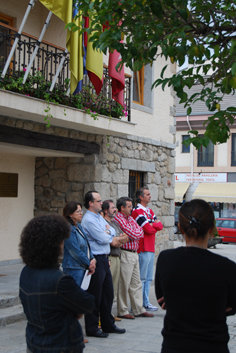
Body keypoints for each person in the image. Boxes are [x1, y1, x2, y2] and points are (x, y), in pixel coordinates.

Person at [155, 199, 236, 353]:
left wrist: (178, 300)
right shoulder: (227, 268)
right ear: (212, 228)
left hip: (174, 345)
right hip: (213, 345)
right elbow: (231, 306)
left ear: (180, 227)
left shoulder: (166, 259)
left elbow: (162, 299)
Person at [19, 214, 95, 353]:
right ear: (53, 245)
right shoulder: (60, 280)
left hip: (35, 342)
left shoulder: (26, 272)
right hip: (61, 345)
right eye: (61, 241)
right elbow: (87, 303)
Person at [81, 190, 126, 338]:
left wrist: (109, 234)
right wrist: (109, 235)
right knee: (95, 294)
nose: (101, 203)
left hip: (104, 257)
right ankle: (92, 327)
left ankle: (108, 323)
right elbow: (102, 237)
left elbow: (111, 230)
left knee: (108, 293)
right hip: (96, 258)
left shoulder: (99, 217)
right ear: (90, 203)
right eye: (98, 201)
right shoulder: (89, 219)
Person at [114, 196, 154, 319]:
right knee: (124, 283)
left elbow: (140, 232)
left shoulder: (130, 218)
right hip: (125, 252)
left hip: (134, 252)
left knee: (136, 283)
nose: (132, 209)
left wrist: (133, 234)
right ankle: (123, 310)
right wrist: (133, 234)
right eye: (129, 206)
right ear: (122, 208)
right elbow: (131, 232)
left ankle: (138, 309)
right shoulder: (118, 218)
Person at [132, 187, 163, 311]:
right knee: (142, 278)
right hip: (143, 247)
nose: (150, 196)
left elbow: (160, 225)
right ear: (141, 197)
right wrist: (153, 224)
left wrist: (152, 224)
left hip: (150, 247)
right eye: (147, 194)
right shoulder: (137, 211)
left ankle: (145, 302)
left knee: (149, 278)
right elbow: (149, 229)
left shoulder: (149, 210)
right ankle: (141, 303)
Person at [62, 201, 96, 287]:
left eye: (81, 211)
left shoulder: (79, 226)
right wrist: (88, 263)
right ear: (70, 214)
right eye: (78, 212)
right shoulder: (68, 229)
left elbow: (86, 244)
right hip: (74, 267)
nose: (81, 214)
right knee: (74, 295)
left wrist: (92, 259)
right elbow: (75, 251)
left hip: (83, 266)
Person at [102, 200, 128, 306]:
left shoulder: (115, 223)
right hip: (110, 258)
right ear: (105, 210)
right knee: (107, 287)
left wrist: (118, 240)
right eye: (112, 208)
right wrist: (118, 240)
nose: (115, 210)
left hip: (117, 256)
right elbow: (112, 242)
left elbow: (126, 237)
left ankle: (109, 313)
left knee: (114, 287)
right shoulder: (103, 223)